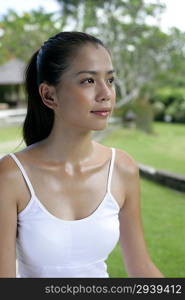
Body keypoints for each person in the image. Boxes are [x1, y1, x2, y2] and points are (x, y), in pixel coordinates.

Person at [0, 31, 163, 278]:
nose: (106, 93)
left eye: (109, 80)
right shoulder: (11, 176)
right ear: (49, 95)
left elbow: (141, 270)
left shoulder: (122, 168)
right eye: (88, 81)